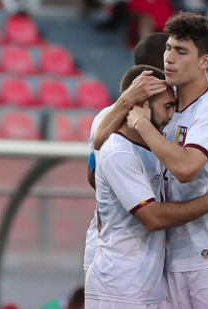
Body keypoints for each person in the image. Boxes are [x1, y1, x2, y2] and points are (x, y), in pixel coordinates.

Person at [85, 64, 208, 309]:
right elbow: (152, 217)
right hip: (121, 290)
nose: (173, 115)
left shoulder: (152, 147)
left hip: (151, 288)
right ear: (142, 105)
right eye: (168, 106)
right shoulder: (118, 151)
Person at [125, 13, 208, 309]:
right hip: (175, 257)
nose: (169, 58)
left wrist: (141, 123)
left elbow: (186, 168)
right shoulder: (167, 105)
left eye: (181, 51)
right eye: (168, 48)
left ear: (205, 61)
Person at [83, 32, 169, 275]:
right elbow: (93, 178)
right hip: (115, 256)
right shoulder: (109, 117)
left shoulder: (168, 114)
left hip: (148, 253)